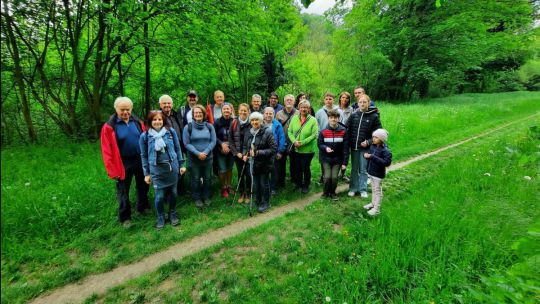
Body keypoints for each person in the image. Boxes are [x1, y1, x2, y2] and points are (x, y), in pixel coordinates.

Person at [100, 96, 150, 227]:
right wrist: (112, 170)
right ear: (116, 109)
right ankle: (125, 217)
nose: (125, 112)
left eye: (128, 109)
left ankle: (142, 207)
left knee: (143, 185)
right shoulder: (109, 127)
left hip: (140, 159)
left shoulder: (137, 122)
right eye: (122, 110)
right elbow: (106, 150)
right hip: (122, 163)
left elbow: (146, 139)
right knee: (123, 191)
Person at [139, 111, 186, 229]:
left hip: (172, 168)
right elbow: (144, 155)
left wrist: (181, 164)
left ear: (163, 121)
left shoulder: (171, 132)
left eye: (159, 119)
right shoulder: (144, 136)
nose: (157, 122)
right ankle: (160, 216)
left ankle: (172, 213)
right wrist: (147, 173)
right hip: (156, 171)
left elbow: (178, 149)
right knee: (159, 196)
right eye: (154, 120)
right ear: (150, 122)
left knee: (174, 193)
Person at [346, 94, 382, 198]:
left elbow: (378, 133)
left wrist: (369, 142)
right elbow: (347, 129)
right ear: (357, 104)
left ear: (368, 103)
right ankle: (353, 188)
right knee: (354, 169)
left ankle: (363, 189)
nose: (362, 104)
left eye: (364, 102)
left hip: (365, 148)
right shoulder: (353, 115)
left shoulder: (374, 116)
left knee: (363, 169)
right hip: (354, 147)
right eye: (360, 102)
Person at [183, 105, 216, 208]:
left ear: (204, 114)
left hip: (208, 158)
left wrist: (205, 152)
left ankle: (206, 196)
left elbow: (213, 141)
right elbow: (186, 143)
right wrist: (198, 153)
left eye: (200, 113)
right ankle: (197, 198)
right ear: (193, 115)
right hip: (194, 159)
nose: (198, 114)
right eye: (196, 113)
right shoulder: (188, 127)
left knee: (207, 178)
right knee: (195, 179)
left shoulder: (209, 126)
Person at [242, 112, 277, 213]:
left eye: (256, 120)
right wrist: (245, 154)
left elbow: (273, 149)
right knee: (255, 183)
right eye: (252, 120)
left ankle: (265, 202)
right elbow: (245, 145)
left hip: (264, 163)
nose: (254, 122)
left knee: (263, 183)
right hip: (252, 163)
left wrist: (258, 152)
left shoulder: (267, 131)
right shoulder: (249, 132)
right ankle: (257, 200)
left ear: (261, 121)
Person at [287, 100, 318, 194]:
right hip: (296, 148)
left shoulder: (313, 120)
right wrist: (294, 141)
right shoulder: (294, 118)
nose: (303, 109)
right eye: (302, 107)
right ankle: (299, 183)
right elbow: (289, 131)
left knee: (305, 167)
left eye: (306, 107)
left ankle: (306, 185)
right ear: (299, 108)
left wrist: (302, 142)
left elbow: (314, 135)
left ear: (309, 109)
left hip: (308, 150)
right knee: (298, 167)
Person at [318, 109, 349, 200]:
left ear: (338, 119)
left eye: (335, 118)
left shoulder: (343, 131)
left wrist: (344, 163)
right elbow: (319, 144)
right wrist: (325, 148)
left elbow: (345, 148)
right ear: (328, 119)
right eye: (331, 118)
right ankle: (325, 193)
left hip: (338, 159)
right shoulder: (323, 131)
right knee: (327, 177)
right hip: (325, 158)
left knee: (334, 177)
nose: (333, 120)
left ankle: (333, 193)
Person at [158, 94, 186, 195]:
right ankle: (167, 193)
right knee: (167, 169)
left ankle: (180, 189)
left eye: (169, 103)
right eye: (164, 103)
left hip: (178, 146)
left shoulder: (176, 114)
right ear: (160, 105)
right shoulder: (157, 117)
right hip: (164, 149)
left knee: (179, 166)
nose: (167, 105)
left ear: (172, 104)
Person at [363, 129, 392, 216]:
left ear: (382, 139)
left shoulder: (386, 151)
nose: (373, 139)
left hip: (378, 174)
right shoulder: (373, 146)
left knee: (377, 191)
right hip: (371, 172)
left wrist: (372, 157)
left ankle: (377, 209)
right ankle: (373, 204)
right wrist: (366, 156)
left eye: (376, 137)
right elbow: (370, 155)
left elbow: (386, 163)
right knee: (373, 189)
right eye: (373, 137)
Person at [229, 103, 252, 203]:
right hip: (238, 154)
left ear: (248, 111)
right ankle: (242, 193)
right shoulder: (234, 122)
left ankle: (248, 193)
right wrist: (236, 153)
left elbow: (254, 138)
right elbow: (230, 140)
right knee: (240, 173)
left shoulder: (252, 122)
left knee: (249, 173)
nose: (243, 112)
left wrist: (249, 153)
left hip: (248, 154)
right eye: (241, 110)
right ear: (238, 111)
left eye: (245, 110)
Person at [315, 92, 340, 185]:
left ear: (333, 100)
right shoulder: (319, 112)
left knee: (336, 157)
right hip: (323, 139)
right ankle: (324, 176)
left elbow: (342, 124)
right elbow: (316, 125)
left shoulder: (339, 111)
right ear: (324, 100)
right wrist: (319, 136)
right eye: (326, 99)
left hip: (336, 138)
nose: (328, 101)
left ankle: (334, 176)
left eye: (330, 99)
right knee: (323, 158)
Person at [275, 94, 297, 188]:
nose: (289, 101)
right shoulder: (279, 114)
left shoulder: (298, 113)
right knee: (281, 162)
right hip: (282, 142)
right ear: (284, 102)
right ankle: (281, 181)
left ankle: (294, 179)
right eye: (287, 100)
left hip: (294, 142)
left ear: (294, 101)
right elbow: (276, 128)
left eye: (291, 100)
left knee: (294, 162)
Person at [263, 107, 286, 195]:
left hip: (274, 152)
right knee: (264, 171)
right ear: (264, 114)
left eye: (270, 114)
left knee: (274, 171)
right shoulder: (260, 123)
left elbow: (282, 138)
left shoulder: (277, 125)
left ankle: (273, 188)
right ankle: (265, 187)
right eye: (267, 113)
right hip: (263, 152)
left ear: (274, 115)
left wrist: (280, 151)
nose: (268, 115)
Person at [213, 103, 235, 197]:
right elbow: (214, 136)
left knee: (229, 168)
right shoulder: (217, 122)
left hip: (232, 149)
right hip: (220, 149)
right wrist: (222, 144)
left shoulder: (234, 121)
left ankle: (229, 186)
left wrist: (230, 145)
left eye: (228, 109)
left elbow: (237, 135)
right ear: (222, 111)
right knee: (222, 169)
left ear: (231, 111)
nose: (226, 111)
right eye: (224, 109)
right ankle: (223, 187)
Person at [337, 91, 353, 182]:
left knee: (346, 153)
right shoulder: (336, 109)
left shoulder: (351, 110)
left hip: (346, 134)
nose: (344, 99)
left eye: (347, 98)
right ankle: (335, 171)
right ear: (340, 98)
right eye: (343, 97)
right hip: (337, 133)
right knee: (337, 152)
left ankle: (342, 173)